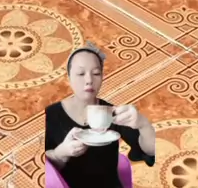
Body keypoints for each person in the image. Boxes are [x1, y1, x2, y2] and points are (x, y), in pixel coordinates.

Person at [45, 45, 155, 188]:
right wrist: (60, 153)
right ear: (69, 77)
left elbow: (150, 151)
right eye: (80, 74)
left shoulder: (112, 112)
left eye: (96, 73)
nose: (89, 80)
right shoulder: (50, 115)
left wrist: (143, 124)